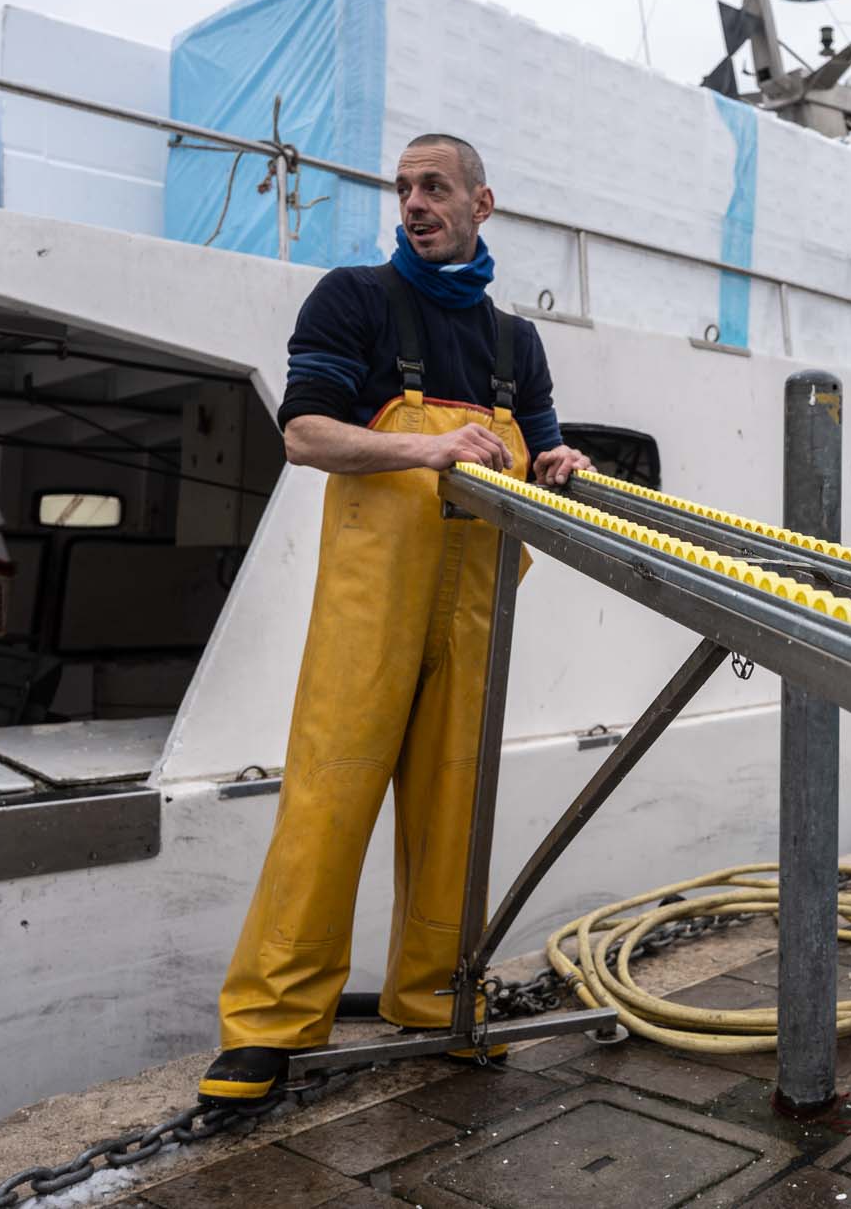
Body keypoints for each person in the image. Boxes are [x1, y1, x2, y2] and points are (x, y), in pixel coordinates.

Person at [199, 134, 591, 1102]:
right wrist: (425, 453)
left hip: (473, 601)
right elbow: (304, 434)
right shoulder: (355, 299)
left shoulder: (516, 343)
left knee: (456, 807)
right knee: (328, 798)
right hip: (370, 605)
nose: (413, 203)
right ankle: (268, 1023)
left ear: (479, 202)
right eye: (403, 188)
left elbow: (537, 449)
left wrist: (558, 463)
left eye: (433, 187)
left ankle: (435, 997)